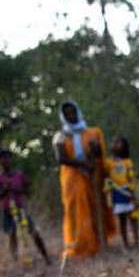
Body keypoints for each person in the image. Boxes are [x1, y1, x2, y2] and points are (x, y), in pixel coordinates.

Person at [53, 100, 117, 258]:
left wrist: (94, 152)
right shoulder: (60, 136)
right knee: (76, 210)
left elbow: (99, 155)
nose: (71, 115)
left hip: (92, 177)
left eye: (73, 111)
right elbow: (61, 158)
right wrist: (82, 164)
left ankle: (98, 244)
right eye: (67, 113)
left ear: (78, 112)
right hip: (72, 179)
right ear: (63, 116)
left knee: (95, 207)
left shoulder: (92, 133)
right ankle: (79, 246)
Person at [0, 149, 51, 264]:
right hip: (7, 210)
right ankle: (16, 261)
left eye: (8, 158)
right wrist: (4, 191)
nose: (6, 161)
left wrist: (20, 190)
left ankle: (46, 257)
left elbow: (29, 190)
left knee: (33, 232)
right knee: (12, 235)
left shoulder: (19, 175)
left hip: (20, 209)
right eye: (3, 158)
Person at [105, 134, 139, 248]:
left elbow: (131, 177)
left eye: (119, 142)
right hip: (117, 192)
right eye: (114, 142)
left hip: (127, 191)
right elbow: (106, 177)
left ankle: (136, 242)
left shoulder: (127, 162)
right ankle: (126, 244)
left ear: (124, 146)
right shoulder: (108, 162)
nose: (116, 145)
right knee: (122, 219)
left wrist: (133, 192)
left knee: (133, 218)